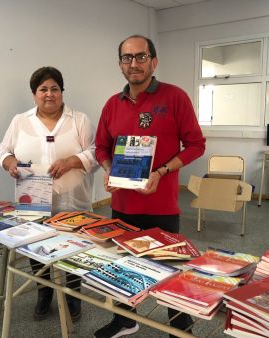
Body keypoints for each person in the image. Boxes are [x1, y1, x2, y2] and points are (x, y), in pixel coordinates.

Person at [94, 35, 206, 338]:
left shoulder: (175, 97)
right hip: (123, 206)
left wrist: (162, 171)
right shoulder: (112, 104)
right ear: (120, 65)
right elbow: (101, 147)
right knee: (122, 268)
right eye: (127, 58)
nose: (134, 64)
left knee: (170, 271)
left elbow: (196, 145)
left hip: (162, 206)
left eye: (140, 57)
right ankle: (124, 320)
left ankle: (180, 329)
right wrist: (108, 169)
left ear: (153, 61)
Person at [0, 66, 98, 322]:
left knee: (74, 249)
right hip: (34, 202)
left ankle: (74, 295)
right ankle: (44, 293)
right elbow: (1, 151)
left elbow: (97, 154)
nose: (49, 94)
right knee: (36, 248)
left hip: (73, 201)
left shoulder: (80, 120)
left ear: (62, 92)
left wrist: (72, 161)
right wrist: (9, 163)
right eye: (43, 89)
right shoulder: (20, 121)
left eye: (55, 89)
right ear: (34, 94)